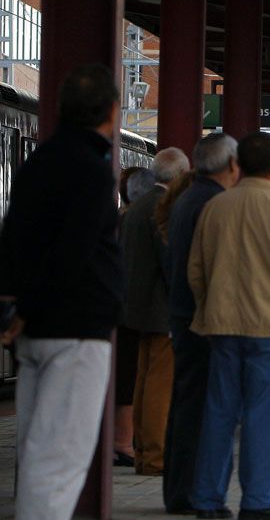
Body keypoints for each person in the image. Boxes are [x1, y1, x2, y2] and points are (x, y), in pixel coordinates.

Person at [0, 64, 124, 520]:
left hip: (38, 332)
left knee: (36, 450)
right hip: (76, 331)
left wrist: (10, 302)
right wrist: (31, 304)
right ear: (110, 111)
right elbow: (76, 250)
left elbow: (10, 238)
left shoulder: (39, 161)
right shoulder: (91, 169)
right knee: (60, 458)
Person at [188, 133, 270, 520]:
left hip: (223, 329)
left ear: (237, 165)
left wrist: (208, 311)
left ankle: (208, 500)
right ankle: (259, 502)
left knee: (219, 414)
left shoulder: (215, 208)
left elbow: (195, 271)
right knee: (265, 417)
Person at [161, 133, 239, 515]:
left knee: (186, 404)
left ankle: (179, 489)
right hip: (204, 320)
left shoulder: (187, 199)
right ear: (231, 165)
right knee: (204, 407)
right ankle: (192, 491)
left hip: (184, 314)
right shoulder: (213, 204)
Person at [122, 147, 190, 476]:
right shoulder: (166, 207)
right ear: (177, 177)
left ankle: (141, 451)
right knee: (161, 387)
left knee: (144, 381)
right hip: (163, 311)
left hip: (138, 309)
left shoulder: (137, 207)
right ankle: (155, 457)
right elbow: (170, 262)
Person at [116, 167, 157, 467]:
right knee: (135, 375)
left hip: (123, 308)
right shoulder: (147, 218)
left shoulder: (122, 220)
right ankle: (126, 441)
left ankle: (127, 441)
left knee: (132, 375)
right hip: (139, 311)